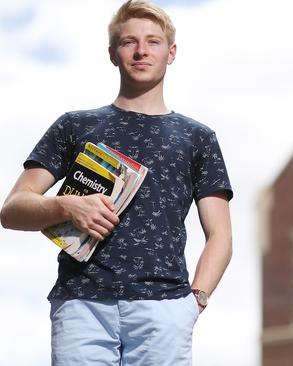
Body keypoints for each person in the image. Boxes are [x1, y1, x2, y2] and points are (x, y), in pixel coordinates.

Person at [0, 1, 233, 365]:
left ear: (171, 53)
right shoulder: (74, 126)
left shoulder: (197, 137)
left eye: (153, 42)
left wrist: (194, 302)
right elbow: (12, 210)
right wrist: (65, 206)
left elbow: (220, 235)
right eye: (129, 42)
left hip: (164, 310)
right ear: (112, 54)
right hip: (81, 307)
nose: (141, 50)